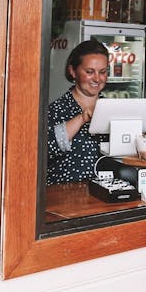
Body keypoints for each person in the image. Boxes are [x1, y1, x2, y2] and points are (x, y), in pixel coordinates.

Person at [46, 39, 109, 185]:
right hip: (64, 196)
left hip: (105, 195)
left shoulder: (111, 108)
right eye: (89, 72)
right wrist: (82, 117)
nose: (97, 79)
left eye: (103, 72)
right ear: (73, 71)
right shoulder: (56, 110)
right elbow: (44, 151)